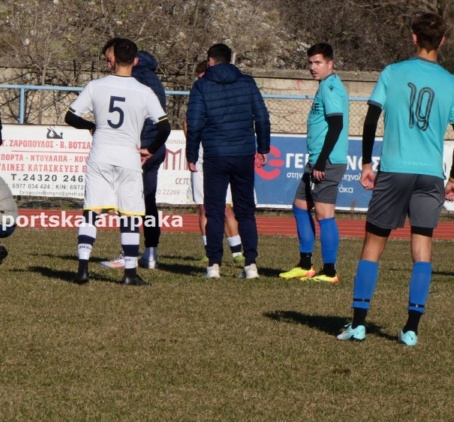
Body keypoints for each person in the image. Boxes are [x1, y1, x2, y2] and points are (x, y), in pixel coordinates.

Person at [337, 12, 454, 347]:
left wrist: (365, 163)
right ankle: (411, 329)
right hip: (430, 174)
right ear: (442, 41)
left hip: (394, 169)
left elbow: (371, 119)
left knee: (373, 246)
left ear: (414, 37)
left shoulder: (393, 72)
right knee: (423, 249)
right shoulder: (451, 82)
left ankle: (359, 324)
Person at [65, 37, 170, 286]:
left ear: (112, 60)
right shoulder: (144, 91)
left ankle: (82, 269)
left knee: (92, 211)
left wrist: (92, 125)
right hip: (128, 157)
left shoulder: (96, 85)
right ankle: (130, 273)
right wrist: (150, 149)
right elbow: (164, 127)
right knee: (130, 215)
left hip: (100, 155)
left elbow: (70, 116)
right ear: (134, 60)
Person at [186, 43, 270, 279]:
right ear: (230, 60)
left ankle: (213, 265)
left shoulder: (201, 86)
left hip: (215, 154)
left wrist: (191, 154)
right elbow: (262, 116)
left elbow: (194, 123)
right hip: (243, 152)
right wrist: (263, 147)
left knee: (214, 211)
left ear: (210, 61)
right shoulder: (247, 82)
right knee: (246, 211)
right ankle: (250, 265)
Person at [280, 43, 348, 283]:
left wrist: (320, 161)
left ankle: (329, 271)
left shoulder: (331, 87)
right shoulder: (323, 87)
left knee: (324, 214)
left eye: (318, 62)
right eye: (310, 62)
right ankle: (305, 264)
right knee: (299, 205)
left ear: (331, 64)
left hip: (326, 161)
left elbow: (336, 125)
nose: (312, 67)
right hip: (316, 161)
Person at [98, 41, 169, 270]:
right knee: (148, 202)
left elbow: (149, 119)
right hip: (154, 148)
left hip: (141, 149)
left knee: (127, 202)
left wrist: (143, 148)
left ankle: (127, 255)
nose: (110, 65)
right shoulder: (151, 77)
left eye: (111, 60)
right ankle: (150, 253)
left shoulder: (134, 80)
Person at [185, 60, 245, 266]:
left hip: (219, 155)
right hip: (201, 158)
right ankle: (208, 249)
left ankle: (237, 251)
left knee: (226, 207)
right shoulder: (197, 96)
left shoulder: (222, 98)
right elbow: (189, 125)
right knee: (204, 208)